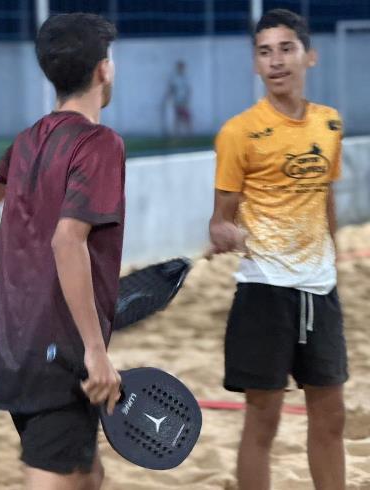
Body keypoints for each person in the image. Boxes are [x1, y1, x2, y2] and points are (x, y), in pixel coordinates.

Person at [0, 13, 125, 490]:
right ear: (103, 70)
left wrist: (24, 274)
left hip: (14, 345)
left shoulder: (28, 140)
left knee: (87, 475)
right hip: (61, 353)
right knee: (59, 478)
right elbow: (67, 240)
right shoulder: (99, 143)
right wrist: (95, 350)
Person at [209, 9, 346, 490]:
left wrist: (332, 258)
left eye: (286, 49)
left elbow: (325, 198)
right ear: (255, 64)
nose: (276, 61)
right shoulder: (238, 132)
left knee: (331, 417)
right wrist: (223, 232)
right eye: (265, 52)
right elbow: (220, 218)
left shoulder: (330, 123)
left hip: (320, 291)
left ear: (310, 56)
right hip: (264, 292)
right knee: (262, 420)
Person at [166, 60, 193, 135]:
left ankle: (189, 133)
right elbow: (171, 88)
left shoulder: (186, 77)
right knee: (177, 118)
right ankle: (176, 134)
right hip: (177, 101)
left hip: (184, 101)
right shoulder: (174, 78)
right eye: (179, 67)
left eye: (182, 67)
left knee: (186, 117)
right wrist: (169, 98)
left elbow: (188, 89)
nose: (181, 69)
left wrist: (187, 99)